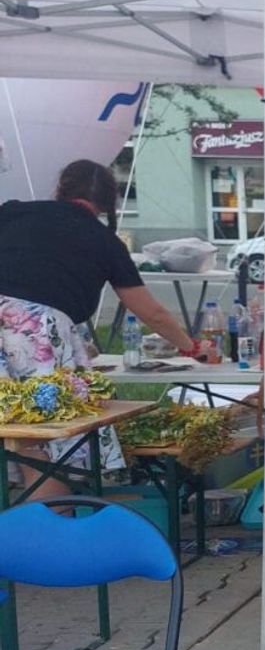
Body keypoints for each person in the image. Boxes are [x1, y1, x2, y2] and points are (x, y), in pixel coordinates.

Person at [0, 160, 204, 500]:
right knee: (45, 443)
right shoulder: (104, 240)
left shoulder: (14, 213)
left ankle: (24, 523)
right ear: (110, 202)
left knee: (16, 436)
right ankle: (49, 525)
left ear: (60, 188)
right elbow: (152, 313)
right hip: (34, 335)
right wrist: (190, 346)